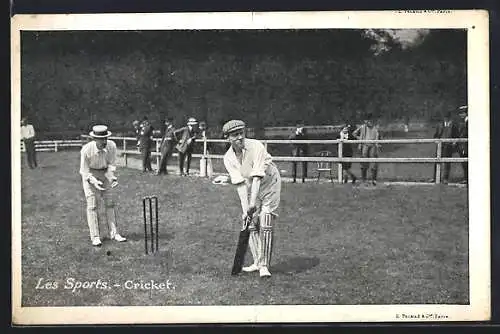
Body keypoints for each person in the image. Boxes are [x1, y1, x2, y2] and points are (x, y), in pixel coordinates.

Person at [222, 120, 281, 278]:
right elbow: (240, 185)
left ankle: (264, 266)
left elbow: (257, 178)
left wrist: (252, 204)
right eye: (235, 135)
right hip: (250, 186)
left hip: (269, 184)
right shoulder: (228, 158)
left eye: (242, 133)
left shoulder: (256, 146)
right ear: (228, 138)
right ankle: (257, 262)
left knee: (266, 219)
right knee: (250, 222)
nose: (240, 137)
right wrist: (246, 209)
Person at [80, 125, 127, 247]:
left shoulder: (111, 146)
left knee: (110, 204)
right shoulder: (86, 150)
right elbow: (84, 172)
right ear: (94, 139)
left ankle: (114, 233)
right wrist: (94, 181)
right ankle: (95, 237)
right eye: (101, 139)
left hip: (105, 173)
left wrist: (112, 177)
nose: (105, 141)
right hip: (90, 175)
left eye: (106, 138)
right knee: (92, 206)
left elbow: (111, 165)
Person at [352, 114, 380, 185]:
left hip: (373, 146)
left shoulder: (375, 128)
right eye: (368, 121)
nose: (369, 122)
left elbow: (378, 136)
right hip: (365, 145)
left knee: (374, 162)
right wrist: (360, 139)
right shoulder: (363, 127)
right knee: (364, 162)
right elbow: (354, 133)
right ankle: (364, 179)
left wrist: (377, 143)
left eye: (370, 121)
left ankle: (374, 180)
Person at [432, 111, 459, 184]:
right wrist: (436, 140)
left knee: (447, 162)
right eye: (445, 118)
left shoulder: (454, 125)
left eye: (447, 118)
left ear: (450, 118)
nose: (446, 119)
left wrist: (454, 142)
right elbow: (436, 135)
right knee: (437, 161)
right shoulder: (440, 125)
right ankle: (435, 178)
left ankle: (445, 178)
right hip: (440, 146)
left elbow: (457, 136)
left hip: (448, 146)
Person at [457, 105, 468, 184]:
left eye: (462, 113)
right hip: (462, 145)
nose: (460, 115)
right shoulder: (463, 122)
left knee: (466, 162)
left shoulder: (468, 122)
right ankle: (466, 178)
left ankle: (467, 178)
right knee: (464, 163)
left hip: (466, 145)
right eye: (460, 113)